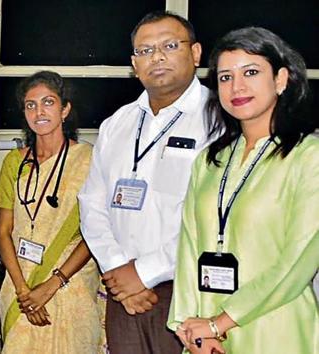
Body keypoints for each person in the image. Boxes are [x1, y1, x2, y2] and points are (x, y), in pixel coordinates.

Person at [168, 27, 319, 354]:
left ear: (281, 79)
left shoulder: (309, 157)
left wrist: (219, 322)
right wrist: (189, 327)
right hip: (206, 337)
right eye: (225, 77)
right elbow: (189, 250)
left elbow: (298, 262)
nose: (236, 86)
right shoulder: (210, 161)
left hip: (276, 327)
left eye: (251, 72)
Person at [78, 11, 216, 354]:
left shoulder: (220, 120)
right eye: (145, 50)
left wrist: (145, 272)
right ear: (133, 64)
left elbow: (214, 218)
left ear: (196, 53)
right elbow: (92, 203)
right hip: (123, 292)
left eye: (170, 45)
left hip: (191, 291)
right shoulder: (118, 123)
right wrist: (117, 267)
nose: (157, 57)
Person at [0, 70, 104, 353]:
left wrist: (52, 285)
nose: (39, 111)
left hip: (72, 285)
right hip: (20, 284)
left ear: (65, 109)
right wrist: (24, 292)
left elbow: (96, 233)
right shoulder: (13, 163)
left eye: (48, 102)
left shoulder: (89, 161)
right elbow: (3, 231)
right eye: (31, 105)